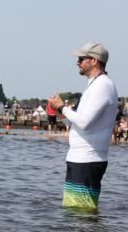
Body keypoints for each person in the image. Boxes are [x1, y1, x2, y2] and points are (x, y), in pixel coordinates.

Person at [48, 42, 118, 211]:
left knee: (82, 214)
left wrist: (61, 107)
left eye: (81, 58)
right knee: (74, 212)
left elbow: (85, 123)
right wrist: (60, 115)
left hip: (88, 159)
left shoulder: (103, 85)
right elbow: (80, 121)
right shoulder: (94, 85)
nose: (77, 62)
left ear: (94, 61)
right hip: (79, 158)